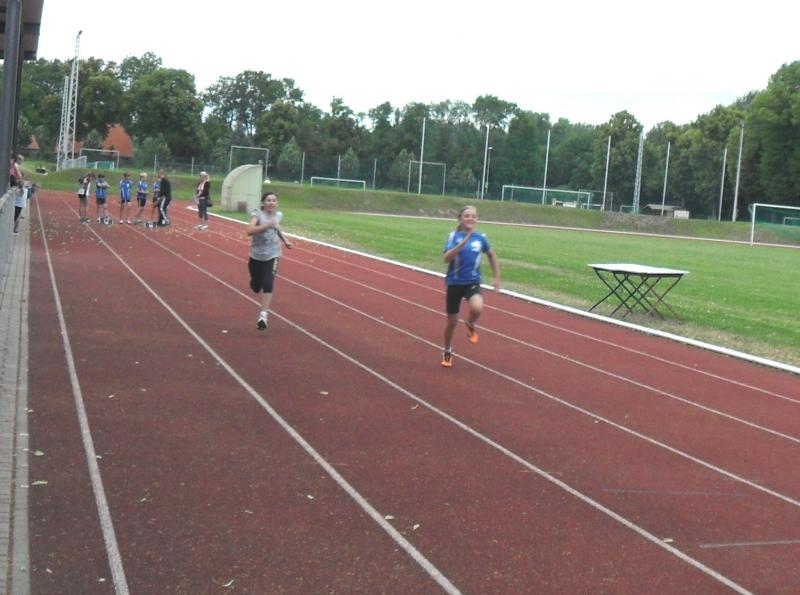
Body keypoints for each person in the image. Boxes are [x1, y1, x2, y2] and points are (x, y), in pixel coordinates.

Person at [440, 205, 501, 368]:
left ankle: (470, 324)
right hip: (454, 283)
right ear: (460, 219)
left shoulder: (480, 238)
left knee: (477, 307)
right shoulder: (453, 236)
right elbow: (446, 259)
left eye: (473, 216)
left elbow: (491, 255)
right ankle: (447, 350)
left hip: (472, 282)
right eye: (467, 216)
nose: (470, 219)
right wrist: (461, 244)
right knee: (452, 322)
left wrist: (497, 277)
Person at [246, 191, 293, 330]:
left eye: (274, 200)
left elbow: (277, 227)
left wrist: (285, 240)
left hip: (273, 254)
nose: (271, 203)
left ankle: (263, 316)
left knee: (268, 282)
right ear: (263, 202)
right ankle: (255, 282)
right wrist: (266, 225)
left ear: (277, 203)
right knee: (256, 286)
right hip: (256, 255)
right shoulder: (257, 214)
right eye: (268, 200)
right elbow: (249, 231)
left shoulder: (278, 215)